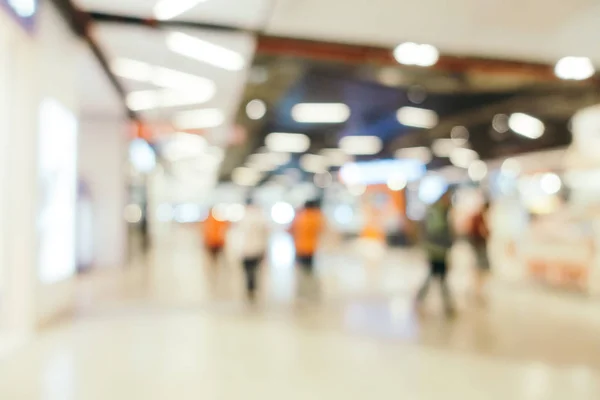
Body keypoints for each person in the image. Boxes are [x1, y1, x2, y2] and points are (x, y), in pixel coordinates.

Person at [416, 190, 455, 316]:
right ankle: (447, 304)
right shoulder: (438, 212)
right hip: (437, 250)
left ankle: (446, 303)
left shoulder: (436, 211)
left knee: (436, 277)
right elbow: (437, 232)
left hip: (435, 249)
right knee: (439, 277)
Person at [236, 198, 269, 300]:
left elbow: (237, 236)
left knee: (248, 271)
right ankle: (253, 288)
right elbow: (265, 234)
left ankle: (250, 289)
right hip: (256, 249)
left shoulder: (243, 218)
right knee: (254, 271)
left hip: (246, 249)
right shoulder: (260, 218)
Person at [291, 199, 325, 274]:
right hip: (311, 246)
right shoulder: (317, 217)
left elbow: (291, 229)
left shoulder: (299, 216)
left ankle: (303, 279)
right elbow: (322, 229)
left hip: (299, 246)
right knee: (309, 265)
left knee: (301, 267)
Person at [469, 201, 491, 302]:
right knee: (481, 268)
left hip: (479, 245)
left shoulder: (479, 217)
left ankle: (478, 290)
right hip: (479, 246)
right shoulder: (478, 217)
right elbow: (479, 231)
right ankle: (477, 290)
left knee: (481, 268)